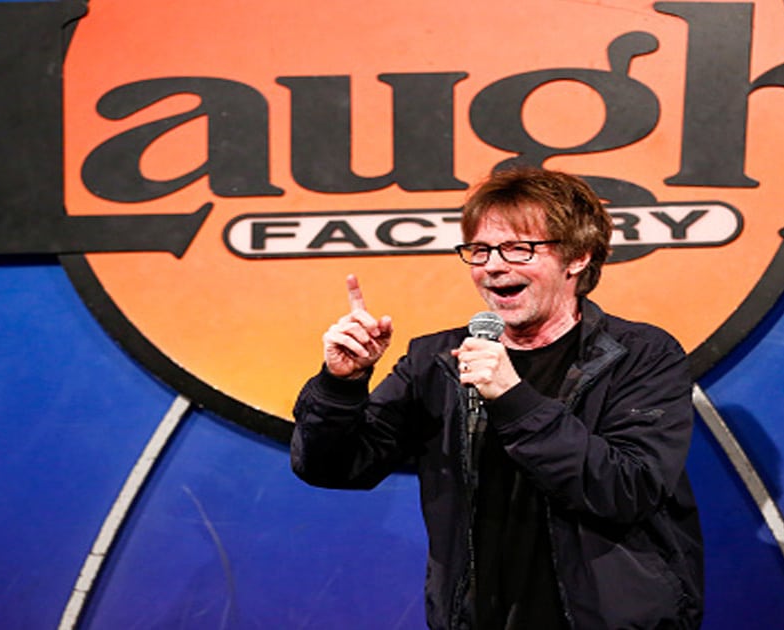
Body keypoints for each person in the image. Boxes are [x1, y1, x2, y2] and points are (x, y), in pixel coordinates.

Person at [291, 167, 703, 629]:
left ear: (577, 257)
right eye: (480, 250)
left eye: (518, 249)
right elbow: (331, 466)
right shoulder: (437, 361)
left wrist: (514, 398)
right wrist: (341, 384)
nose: (492, 265)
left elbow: (627, 489)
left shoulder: (640, 355)